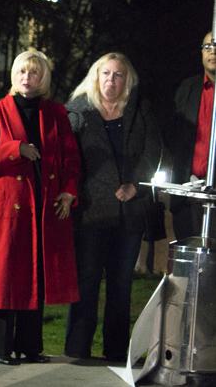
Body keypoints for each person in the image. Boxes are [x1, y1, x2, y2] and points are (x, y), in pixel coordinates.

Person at [0, 50, 81, 366]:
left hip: (44, 206)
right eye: (22, 71)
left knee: (36, 273)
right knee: (5, 276)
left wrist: (68, 191)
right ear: (14, 75)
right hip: (8, 207)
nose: (27, 78)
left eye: (33, 73)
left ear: (43, 78)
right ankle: (0, 347)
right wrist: (15, 149)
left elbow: (71, 160)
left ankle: (31, 347)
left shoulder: (56, 114)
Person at [64, 52, 161, 361]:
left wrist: (137, 184)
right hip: (90, 213)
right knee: (86, 283)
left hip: (128, 215)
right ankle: (77, 350)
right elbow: (66, 157)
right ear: (96, 76)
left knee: (121, 287)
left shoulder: (140, 111)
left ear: (127, 80)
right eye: (106, 73)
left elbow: (153, 151)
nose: (111, 80)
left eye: (118, 75)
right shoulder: (78, 110)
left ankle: (116, 352)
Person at [167, 31, 216, 240]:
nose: (212, 51)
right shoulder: (188, 88)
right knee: (185, 264)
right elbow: (172, 135)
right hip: (187, 192)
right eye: (207, 47)